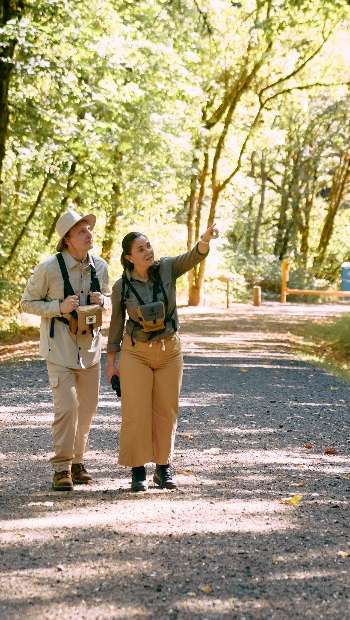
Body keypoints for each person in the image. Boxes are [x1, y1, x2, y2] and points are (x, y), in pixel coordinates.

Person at [105, 224, 219, 491]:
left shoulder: (167, 268)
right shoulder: (121, 287)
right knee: (135, 411)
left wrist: (205, 239)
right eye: (140, 249)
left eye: (149, 246)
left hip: (170, 351)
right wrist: (111, 364)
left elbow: (194, 256)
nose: (148, 252)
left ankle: (163, 468)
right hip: (136, 353)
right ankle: (137, 470)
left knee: (166, 410)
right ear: (129, 258)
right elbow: (115, 325)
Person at [21, 210, 111, 491]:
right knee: (67, 408)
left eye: (89, 229)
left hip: (91, 350)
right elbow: (26, 303)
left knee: (87, 409)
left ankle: (77, 462)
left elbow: (110, 300)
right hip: (59, 350)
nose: (89, 234)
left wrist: (103, 301)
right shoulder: (47, 268)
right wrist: (57, 307)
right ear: (67, 240)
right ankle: (61, 468)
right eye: (81, 231)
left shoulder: (101, 266)